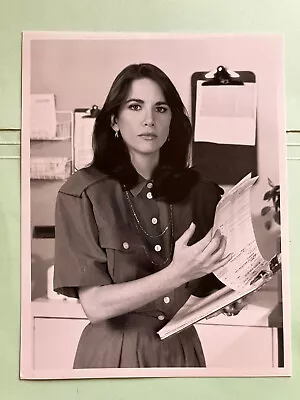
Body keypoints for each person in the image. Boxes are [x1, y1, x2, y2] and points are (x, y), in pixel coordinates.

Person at [53, 63, 233, 369]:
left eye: (160, 109)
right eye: (135, 107)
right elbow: (95, 305)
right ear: (114, 120)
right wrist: (176, 274)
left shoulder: (203, 194)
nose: (149, 120)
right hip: (112, 357)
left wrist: (235, 290)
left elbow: (209, 284)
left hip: (183, 354)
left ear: (172, 122)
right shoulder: (82, 193)